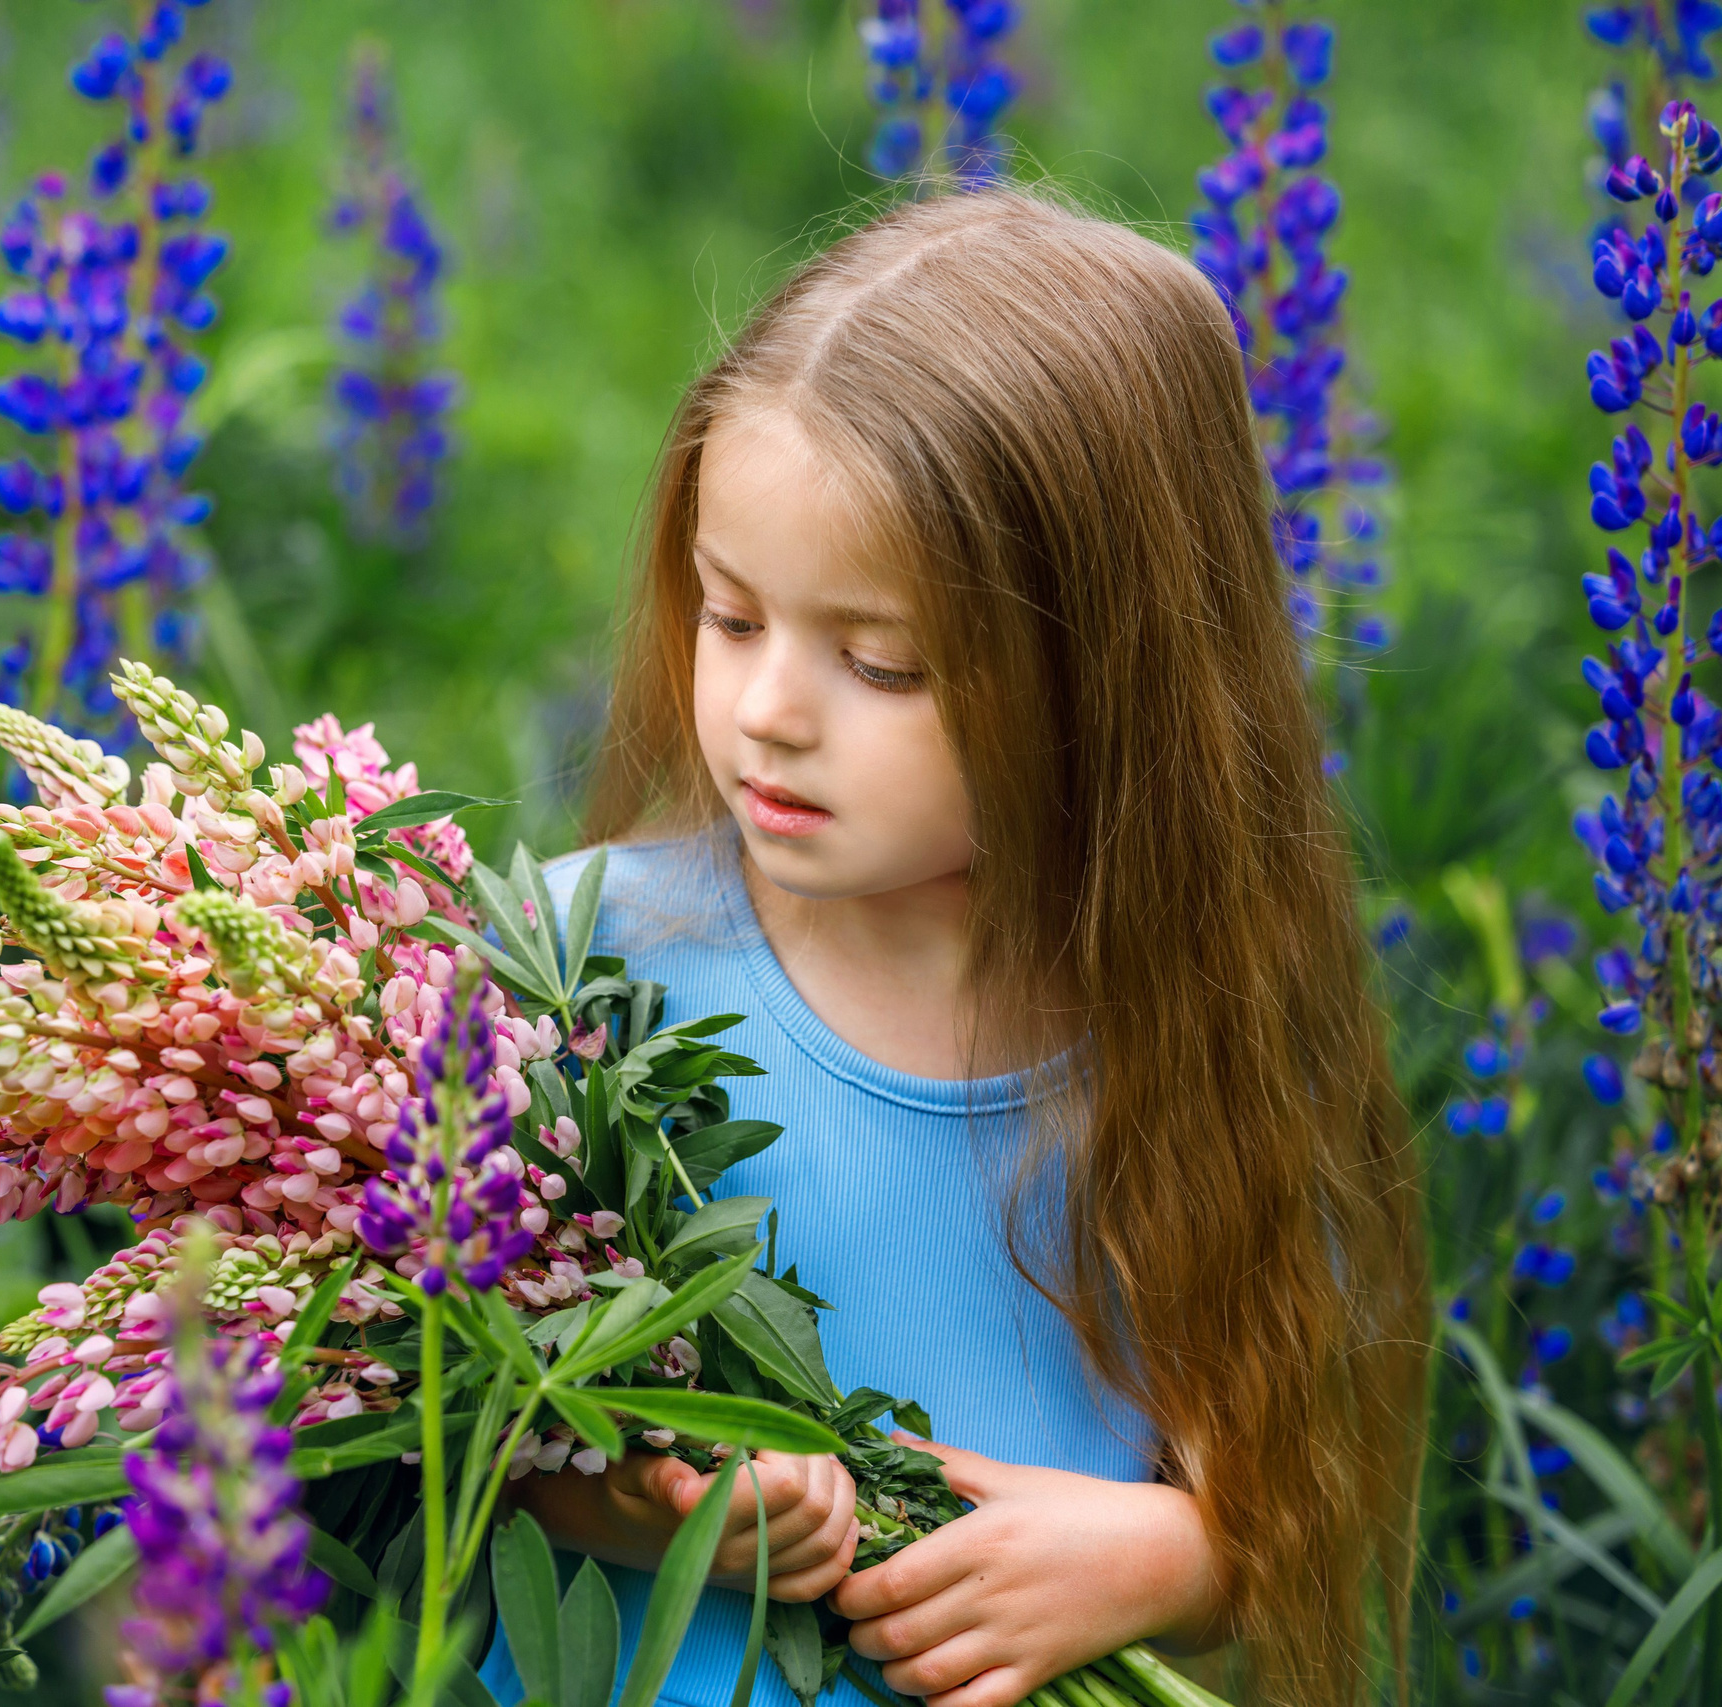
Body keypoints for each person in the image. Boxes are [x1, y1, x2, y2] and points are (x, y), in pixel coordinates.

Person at [476, 188, 1425, 1707]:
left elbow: (1286, 1491)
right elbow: (446, 1430)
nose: (772, 709)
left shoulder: (1185, 1022)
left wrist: (1166, 1557)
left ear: (1107, 677)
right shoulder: (567, 962)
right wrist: (667, 1496)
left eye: (881, 662)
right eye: (729, 619)